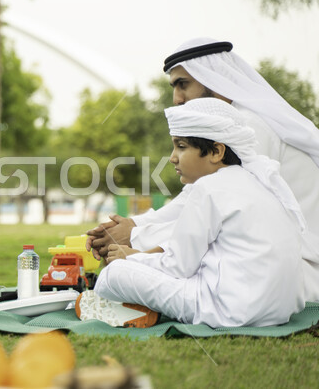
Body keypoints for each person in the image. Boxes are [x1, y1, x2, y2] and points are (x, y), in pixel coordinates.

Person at [87, 38, 319, 301]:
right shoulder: (231, 126)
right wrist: (134, 225)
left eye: (183, 84)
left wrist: (135, 236)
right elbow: (195, 199)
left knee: (127, 274)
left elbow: (206, 214)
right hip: (261, 269)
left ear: (216, 79)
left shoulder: (249, 127)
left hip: (296, 271)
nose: (176, 98)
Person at [76, 98, 306, 328]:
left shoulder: (208, 188)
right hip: (279, 312)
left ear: (216, 151)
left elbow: (178, 267)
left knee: (114, 274)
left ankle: (124, 307)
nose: (172, 157)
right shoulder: (259, 182)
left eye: (181, 146)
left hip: (228, 312)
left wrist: (131, 258)